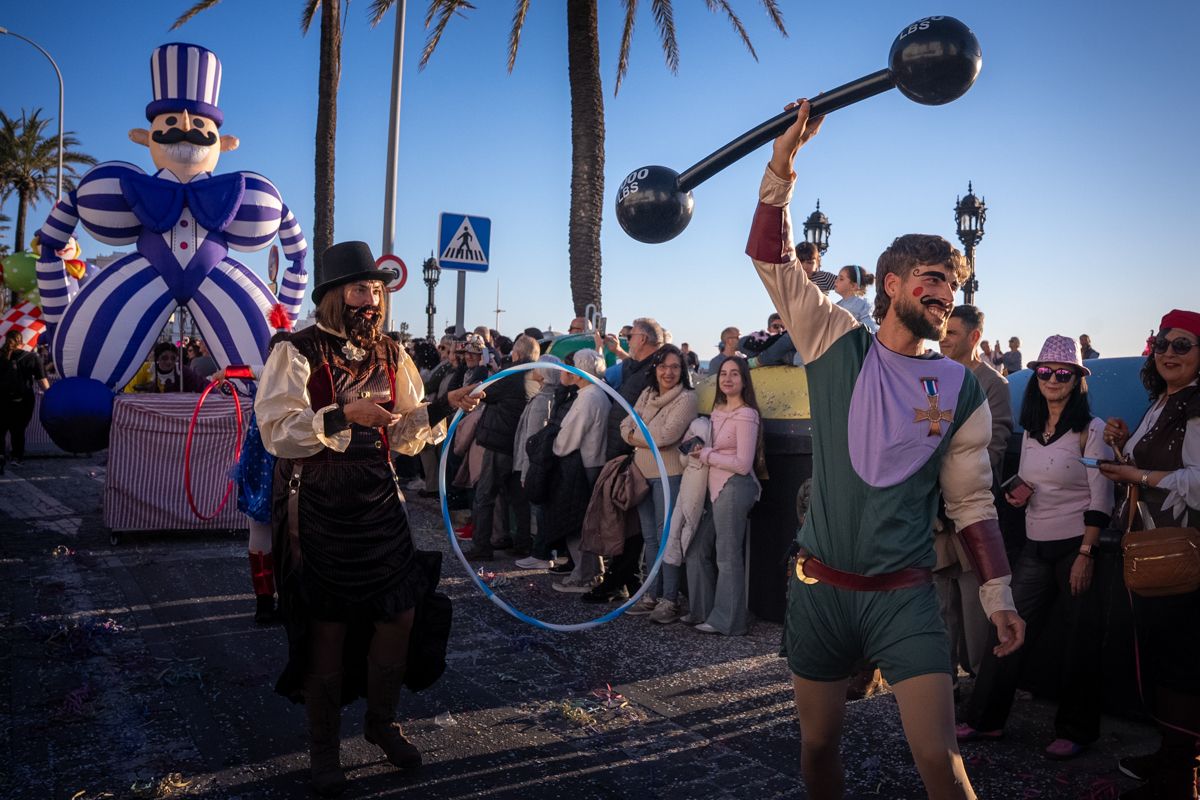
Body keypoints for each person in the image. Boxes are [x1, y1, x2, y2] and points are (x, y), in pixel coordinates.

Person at [748, 99, 1022, 800]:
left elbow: (970, 502)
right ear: (893, 283)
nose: (945, 294)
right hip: (821, 590)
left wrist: (997, 597)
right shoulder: (834, 339)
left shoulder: (959, 387)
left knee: (940, 759)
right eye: (933, 279)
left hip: (904, 598)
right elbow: (771, 258)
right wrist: (784, 164)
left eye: (953, 285)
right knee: (816, 747)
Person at [254, 241, 480, 796]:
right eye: (361, 289)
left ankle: (380, 724)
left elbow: (404, 436)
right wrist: (340, 414)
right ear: (333, 296)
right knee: (328, 627)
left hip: (378, 498)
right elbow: (277, 431)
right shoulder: (296, 349)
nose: (372, 300)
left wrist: (447, 405)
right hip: (319, 501)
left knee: (398, 617)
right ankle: (324, 749)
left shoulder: (392, 354)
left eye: (378, 291)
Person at [958, 335, 1112, 760]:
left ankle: (1077, 730)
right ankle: (985, 719)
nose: (1052, 379)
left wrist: (1086, 554)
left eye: (1063, 373)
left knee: (1080, 640)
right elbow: (1036, 482)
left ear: (1078, 379)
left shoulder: (1091, 430)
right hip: (1035, 544)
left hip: (1073, 547)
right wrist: (1017, 494)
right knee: (1007, 628)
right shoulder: (1032, 430)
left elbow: (1101, 498)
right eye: (1044, 372)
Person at [1099, 309, 1200, 799]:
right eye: (1163, 343)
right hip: (1151, 548)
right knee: (1158, 657)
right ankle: (1170, 757)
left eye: (1183, 345)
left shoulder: (1196, 405)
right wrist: (1124, 449)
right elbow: (1148, 471)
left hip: (1182, 553)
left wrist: (1135, 476)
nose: (1169, 353)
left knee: (1180, 663)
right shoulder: (1164, 402)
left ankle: (1182, 778)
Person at [935, 305, 1013, 682]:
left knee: (976, 608)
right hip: (933, 517)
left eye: (952, 332)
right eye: (943, 331)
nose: (943, 338)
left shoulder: (993, 385)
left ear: (974, 337)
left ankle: (983, 688)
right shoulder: (933, 376)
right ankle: (941, 690)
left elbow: (992, 450)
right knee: (939, 608)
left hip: (969, 513)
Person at [586, 318, 664, 602]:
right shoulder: (634, 366)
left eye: (630, 335)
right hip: (621, 451)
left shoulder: (656, 368)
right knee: (623, 519)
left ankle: (622, 581)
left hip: (636, 455)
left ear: (642, 338)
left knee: (633, 524)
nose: (626, 339)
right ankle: (623, 579)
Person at [620, 345, 699, 623]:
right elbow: (623, 426)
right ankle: (651, 595)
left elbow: (666, 436)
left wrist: (636, 433)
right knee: (651, 538)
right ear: (655, 367)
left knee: (669, 538)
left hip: (670, 475)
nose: (668, 372)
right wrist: (638, 432)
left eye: (675, 367)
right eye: (663, 366)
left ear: (683, 370)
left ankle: (670, 599)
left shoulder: (687, 398)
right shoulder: (647, 394)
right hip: (642, 475)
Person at [683, 357, 760, 635]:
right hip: (712, 486)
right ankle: (702, 611)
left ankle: (728, 621)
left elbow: (743, 463)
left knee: (727, 556)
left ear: (744, 379)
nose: (727, 379)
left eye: (735, 374)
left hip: (735, 487)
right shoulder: (716, 411)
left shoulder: (747, 414)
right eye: (723, 374)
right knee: (696, 550)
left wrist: (706, 455)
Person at [463, 334, 539, 560]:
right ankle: (522, 543)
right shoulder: (535, 376)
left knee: (485, 496)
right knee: (517, 498)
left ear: (516, 353)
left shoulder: (511, 375)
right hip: (518, 445)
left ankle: (481, 547)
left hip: (499, 443)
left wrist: (491, 370)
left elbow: (483, 392)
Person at [550, 349, 612, 594]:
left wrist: (554, 446)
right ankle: (590, 571)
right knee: (585, 522)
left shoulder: (588, 397)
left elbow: (569, 438)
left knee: (577, 523)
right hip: (593, 462)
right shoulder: (599, 393)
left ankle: (585, 575)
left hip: (583, 465)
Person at [514, 354, 564, 570]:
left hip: (536, 467)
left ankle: (541, 553)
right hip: (541, 465)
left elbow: (532, 442)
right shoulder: (549, 396)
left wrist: (526, 473)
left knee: (540, 510)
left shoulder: (543, 400)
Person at [0, 330, 49, 470]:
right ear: (21, 342)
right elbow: (42, 381)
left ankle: (1, 455)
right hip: (23, 400)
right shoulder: (32, 357)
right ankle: (17, 457)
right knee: (18, 429)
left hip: (1, 399)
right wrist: (50, 395)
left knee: (0, 430)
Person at [125, 342, 206, 393]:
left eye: (173, 358)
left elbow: (201, 384)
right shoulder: (145, 369)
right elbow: (129, 391)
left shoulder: (182, 371)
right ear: (157, 358)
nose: (169, 362)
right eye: (164, 358)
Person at [833, 264, 878, 333]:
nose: (836, 281)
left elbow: (871, 330)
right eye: (837, 278)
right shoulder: (837, 305)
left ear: (853, 286)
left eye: (841, 279)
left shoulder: (863, 305)